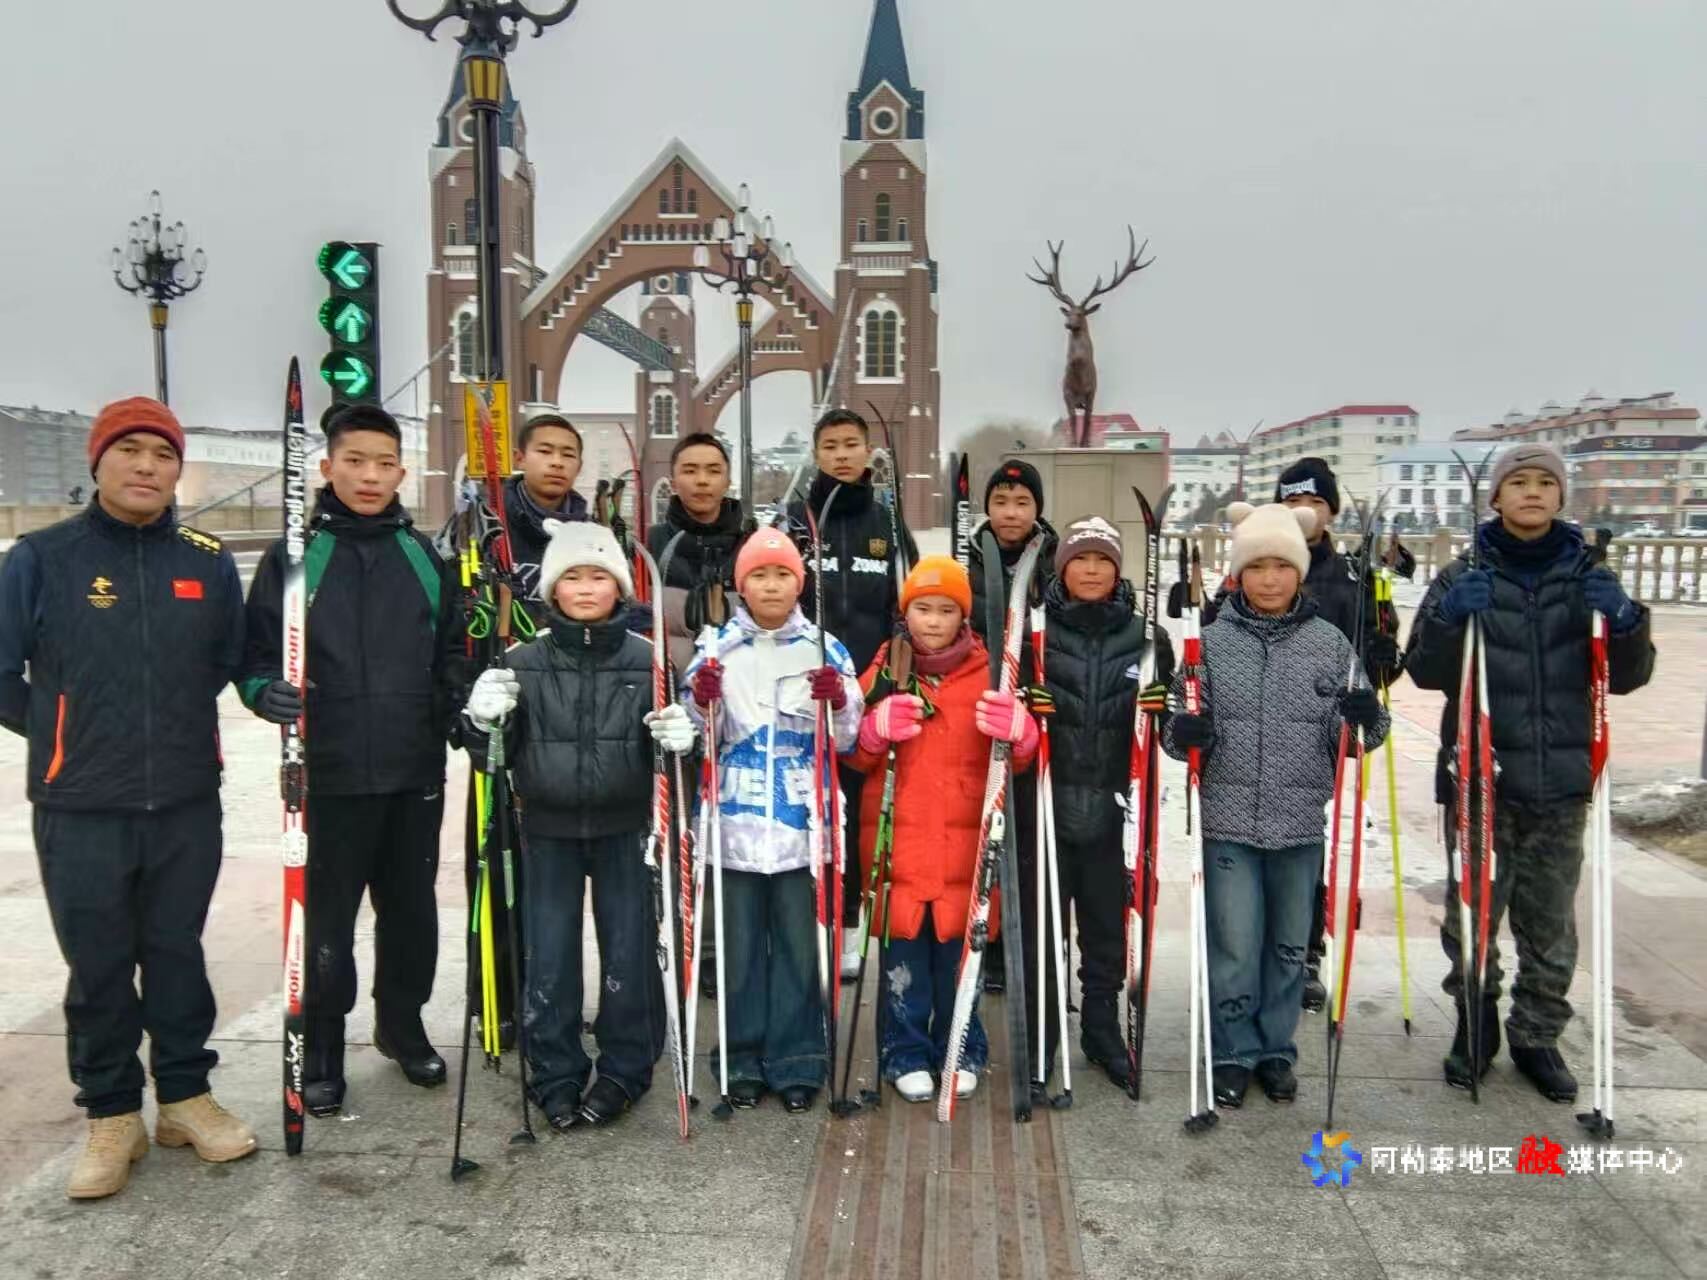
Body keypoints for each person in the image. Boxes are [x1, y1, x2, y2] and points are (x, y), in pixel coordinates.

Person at [0, 397, 256, 1200]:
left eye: (163, 453)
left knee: (177, 953)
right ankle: (113, 1115)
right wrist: (67, 732)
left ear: (178, 469)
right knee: (99, 965)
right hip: (79, 804)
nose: (146, 466)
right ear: (98, 461)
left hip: (185, 799)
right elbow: (3, 673)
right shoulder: (42, 558)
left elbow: (228, 662)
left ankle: (184, 1097)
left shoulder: (207, 562)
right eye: (130, 450)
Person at [1403, 444, 1654, 1102]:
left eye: (1546, 482)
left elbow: (1627, 677)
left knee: (1549, 922)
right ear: (1496, 497)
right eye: (1519, 482)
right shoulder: (1463, 573)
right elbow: (1423, 669)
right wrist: (1449, 617)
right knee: (1472, 913)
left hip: (1561, 779)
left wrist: (1625, 621)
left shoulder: (1588, 573)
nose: (1533, 492)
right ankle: (1476, 1022)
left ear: (1561, 495)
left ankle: (1537, 1034)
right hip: (1481, 777)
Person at [241, 404, 467, 1117]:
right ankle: (322, 1044)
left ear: (402, 472)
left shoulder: (424, 556)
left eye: (384, 463)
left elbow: (453, 650)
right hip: (327, 773)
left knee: (411, 914)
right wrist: (263, 692)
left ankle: (401, 1025)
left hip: (412, 770)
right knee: (327, 921)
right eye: (355, 461)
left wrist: (459, 707)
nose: (370, 476)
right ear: (327, 467)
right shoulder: (294, 556)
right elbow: (254, 654)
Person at [1163, 502, 1388, 1108]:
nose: (1269, 579)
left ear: (1298, 572)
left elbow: (1360, 735)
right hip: (1228, 823)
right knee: (1236, 946)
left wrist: (1364, 718)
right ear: (1239, 573)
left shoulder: (1329, 644)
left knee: (1289, 948)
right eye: (1257, 566)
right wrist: (1185, 733)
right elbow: (1176, 728)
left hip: (1300, 824)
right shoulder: (1210, 644)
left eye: (1281, 566)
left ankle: (1275, 1049)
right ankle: (1232, 1050)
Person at [461, 520, 685, 1130]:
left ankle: (625, 1067)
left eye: (599, 577)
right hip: (547, 829)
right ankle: (554, 1071)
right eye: (573, 577)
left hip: (625, 827)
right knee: (551, 955)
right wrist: (483, 722)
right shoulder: (522, 662)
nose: (586, 589)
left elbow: (674, 754)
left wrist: (680, 739)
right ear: (553, 589)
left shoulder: (648, 660)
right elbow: (492, 757)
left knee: (629, 952)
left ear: (620, 588)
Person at [681, 527, 864, 1112]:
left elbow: (847, 737)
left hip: (801, 831)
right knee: (737, 950)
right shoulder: (717, 647)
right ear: (742, 585)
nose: (771, 585)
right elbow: (699, 735)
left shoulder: (824, 648)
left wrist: (839, 701)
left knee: (798, 948)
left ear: (799, 583)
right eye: (759, 575)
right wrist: (702, 700)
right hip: (734, 829)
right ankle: (739, 1058)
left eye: (782, 574)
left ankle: (797, 1060)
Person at [848, 556, 1040, 1101]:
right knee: (904, 962)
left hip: (966, 848)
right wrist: (871, 731)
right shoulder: (887, 668)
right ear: (905, 613)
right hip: (899, 846)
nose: (933, 621)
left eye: (946, 610)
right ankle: (904, 1051)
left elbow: (1015, 764)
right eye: (923, 609)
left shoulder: (991, 671)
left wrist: (1021, 736)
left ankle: (961, 1047)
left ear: (964, 616)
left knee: (960, 959)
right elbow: (851, 752)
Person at [1037, 518, 1174, 1089]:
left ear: (1118, 570)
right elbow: (1004, 707)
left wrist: (1167, 710)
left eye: (1103, 560)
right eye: (1081, 559)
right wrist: (1024, 705)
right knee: (1046, 930)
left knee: (1106, 932)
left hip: (1116, 811)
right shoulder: (1036, 630)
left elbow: (1176, 727)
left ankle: (1101, 1030)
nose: (1091, 570)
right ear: (1062, 567)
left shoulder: (1147, 637)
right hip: (1048, 805)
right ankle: (1043, 1034)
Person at [787, 409, 916, 980]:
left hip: (868, 691)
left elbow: (906, 609)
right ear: (817, 455)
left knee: (861, 816)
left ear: (868, 453)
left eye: (851, 445)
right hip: (804, 694)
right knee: (809, 811)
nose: (841, 455)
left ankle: (850, 926)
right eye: (831, 446)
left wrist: (889, 680)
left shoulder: (887, 521)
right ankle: (808, 923)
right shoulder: (797, 519)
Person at [646, 432, 750, 1000]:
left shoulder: (750, 538)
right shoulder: (654, 542)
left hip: (737, 711)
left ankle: (721, 948)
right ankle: (677, 940)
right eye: (690, 469)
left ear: (727, 477)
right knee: (678, 833)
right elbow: (636, 617)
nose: (702, 480)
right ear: (674, 477)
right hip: (671, 710)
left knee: (727, 834)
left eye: (713, 469)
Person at [965, 458, 1058, 993]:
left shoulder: (1055, 562)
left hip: (1038, 717)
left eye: (1022, 503)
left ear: (1037, 510)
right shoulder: (970, 561)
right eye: (1000, 502)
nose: (1011, 513)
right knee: (984, 833)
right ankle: (984, 936)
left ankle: (1019, 947)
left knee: (1026, 838)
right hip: (982, 714)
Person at [502, 412, 589, 622]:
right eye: (545, 451)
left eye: (568, 455)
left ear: (579, 467)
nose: (557, 463)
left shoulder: (594, 536)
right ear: (519, 459)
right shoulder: (485, 524)